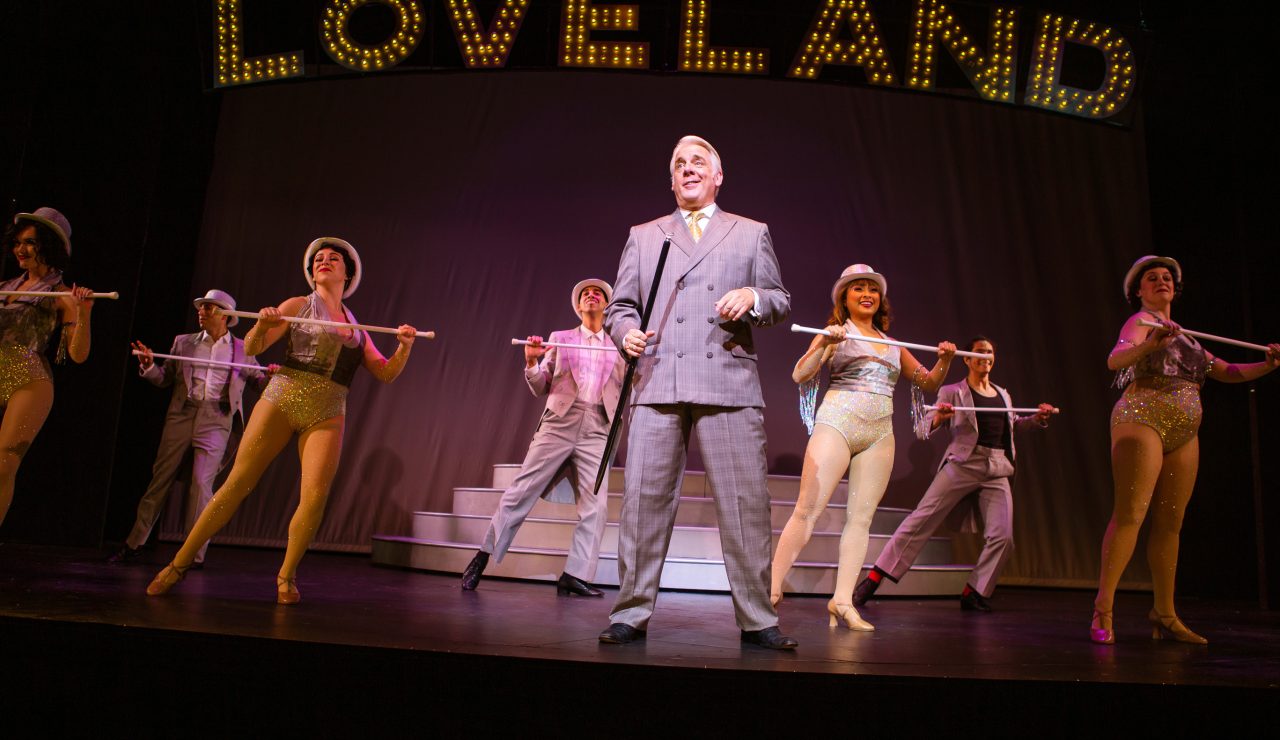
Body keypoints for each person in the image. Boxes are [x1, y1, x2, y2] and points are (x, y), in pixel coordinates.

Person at [598, 135, 796, 649]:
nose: (689, 169)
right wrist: (626, 334)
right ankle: (630, 612)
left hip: (727, 381)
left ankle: (758, 618)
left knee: (745, 505)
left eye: (698, 162)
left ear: (717, 176)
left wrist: (753, 295)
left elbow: (778, 300)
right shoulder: (645, 236)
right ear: (671, 180)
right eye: (679, 164)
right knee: (643, 504)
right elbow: (620, 307)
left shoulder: (750, 233)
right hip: (659, 378)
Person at [146, 238, 418, 604]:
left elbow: (385, 373)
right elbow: (255, 347)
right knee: (237, 484)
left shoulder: (357, 327)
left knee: (315, 497)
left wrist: (403, 346)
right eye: (318, 259)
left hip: (329, 408)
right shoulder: (296, 305)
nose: (324, 261)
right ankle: (177, 566)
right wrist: (261, 325)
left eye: (333, 258)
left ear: (347, 272)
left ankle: (286, 576)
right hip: (283, 396)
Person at [1090, 255, 1279, 644]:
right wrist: (1151, 343)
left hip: (1184, 430)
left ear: (1175, 290)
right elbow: (1116, 359)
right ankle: (1103, 610)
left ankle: (1164, 612)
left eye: (1167, 278)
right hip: (1143, 416)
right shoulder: (1139, 323)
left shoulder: (1188, 338)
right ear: (1138, 292)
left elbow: (1225, 370)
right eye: (1152, 278)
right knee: (1131, 515)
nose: (1161, 281)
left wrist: (1268, 365)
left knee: (1171, 524)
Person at [770, 264, 955, 631]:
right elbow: (800, 374)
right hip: (837, 422)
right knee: (808, 510)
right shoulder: (833, 333)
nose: (867, 293)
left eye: (873, 288)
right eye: (858, 289)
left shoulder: (894, 345)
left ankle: (841, 601)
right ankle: (771, 589)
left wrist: (946, 360)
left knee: (861, 519)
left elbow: (928, 382)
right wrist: (825, 344)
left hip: (879, 433)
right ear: (845, 297)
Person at [852, 336, 1054, 612]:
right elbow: (922, 429)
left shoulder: (1003, 394)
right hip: (962, 463)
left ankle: (975, 590)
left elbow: (1013, 426)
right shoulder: (952, 392)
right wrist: (939, 418)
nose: (986, 357)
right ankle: (875, 578)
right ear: (967, 359)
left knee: (1003, 536)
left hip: (996, 468)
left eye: (990, 352)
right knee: (920, 519)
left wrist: (1036, 420)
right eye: (979, 353)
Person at [460, 278, 622, 596]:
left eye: (598, 293)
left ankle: (576, 574)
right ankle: (483, 555)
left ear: (607, 305)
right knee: (522, 490)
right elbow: (540, 385)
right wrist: (532, 361)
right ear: (578, 306)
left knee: (596, 505)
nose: (592, 295)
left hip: (598, 427)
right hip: (560, 421)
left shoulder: (618, 345)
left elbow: (632, 382)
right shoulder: (560, 338)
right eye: (586, 294)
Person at [108, 289, 273, 567]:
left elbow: (258, 384)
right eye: (202, 307)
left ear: (225, 316)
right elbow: (165, 379)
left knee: (201, 485)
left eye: (209, 308)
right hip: (182, 415)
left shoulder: (245, 349)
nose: (202, 311)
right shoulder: (183, 343)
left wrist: (271, 377)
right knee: (160, 480)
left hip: (217, 419)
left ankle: (192, 555)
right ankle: (134, 544)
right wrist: (149, 367)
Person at [1, 208, 95, 526]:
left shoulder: (60, 294)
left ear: (49, 247)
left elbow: (78, 354)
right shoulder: (5, 286)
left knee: (3, 464)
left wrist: (84, 314)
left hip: (28, 376)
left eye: (30, 242)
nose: (20, 249)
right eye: (17, 242)